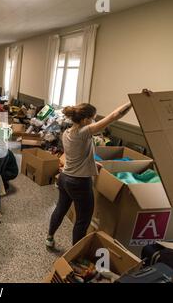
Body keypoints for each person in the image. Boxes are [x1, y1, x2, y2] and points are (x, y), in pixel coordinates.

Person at [46, 101, 133, 248]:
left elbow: (76, 154)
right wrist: (132, 102)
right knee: (83, 220)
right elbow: (114, 116)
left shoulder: (67, 132)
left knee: (60, 209)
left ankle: (49, 238)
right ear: (85, 120)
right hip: (79, 182)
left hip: (65, 178)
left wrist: (91, 163)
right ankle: (76, 254)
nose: (94, 121)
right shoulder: (84, 132)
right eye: (93, 118)